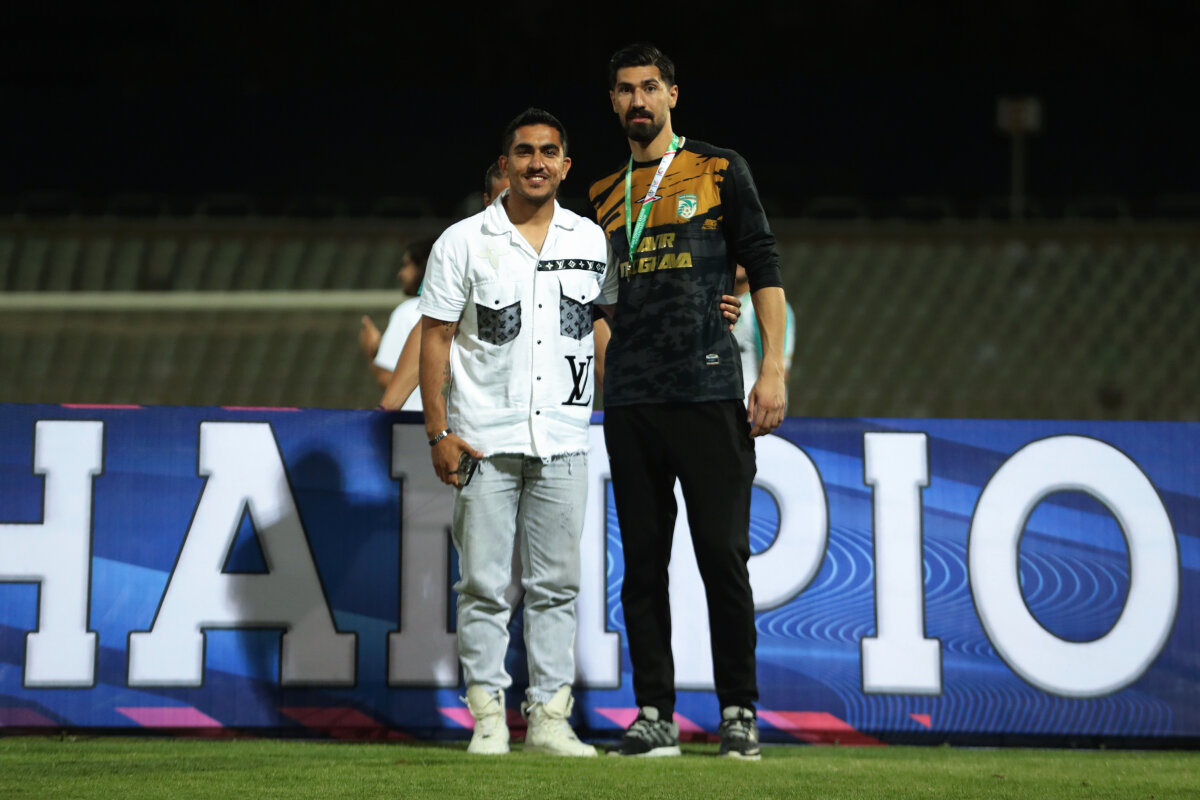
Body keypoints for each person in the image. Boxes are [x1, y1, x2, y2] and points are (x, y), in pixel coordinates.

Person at [588, 42, 788, 760]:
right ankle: (654, 714)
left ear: (673, 95)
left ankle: (738, 710)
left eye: (650, 87)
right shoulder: (602, 194)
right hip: (633, 403)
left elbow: (762, 262)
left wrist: (772, 369)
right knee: (642, 565)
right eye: (625, 90)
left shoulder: (719, 168)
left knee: (722, 558)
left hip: (707, 390)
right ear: (613, 102)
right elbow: (600, 298)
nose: (637, 100)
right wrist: (612, 368)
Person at [416, 108, 609, 757]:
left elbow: (604, 327)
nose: (536, 163)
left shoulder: (591, 239)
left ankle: (550, 719)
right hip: (482, 439)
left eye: (549, 152)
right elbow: (436, 338)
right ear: (505, 164)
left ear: (566, 165)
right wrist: (438, 431)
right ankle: (489, 720)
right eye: (524, 152)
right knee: (483, 586)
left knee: (557, 589)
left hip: (565, 438)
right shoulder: (462, 241)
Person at [379, 168, 511, 411]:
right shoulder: (464, 250)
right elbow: (433, 333)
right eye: (503, 199)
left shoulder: (573, 246)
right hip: (468, 419)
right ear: (487, 202)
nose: (512, 208)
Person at [360, 238, 435, 411]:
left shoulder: (409, 311)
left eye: (407, 265)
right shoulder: (464, 310)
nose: (400, 274)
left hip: (416, 420)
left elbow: (387, 378)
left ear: (424, 267)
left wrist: (372, 353)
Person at [731, 264, 796, 407]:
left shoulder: (766, 306)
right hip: (723, 408)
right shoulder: (721, 303)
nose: (738, 261)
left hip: (752, 410)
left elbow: (779, 370)